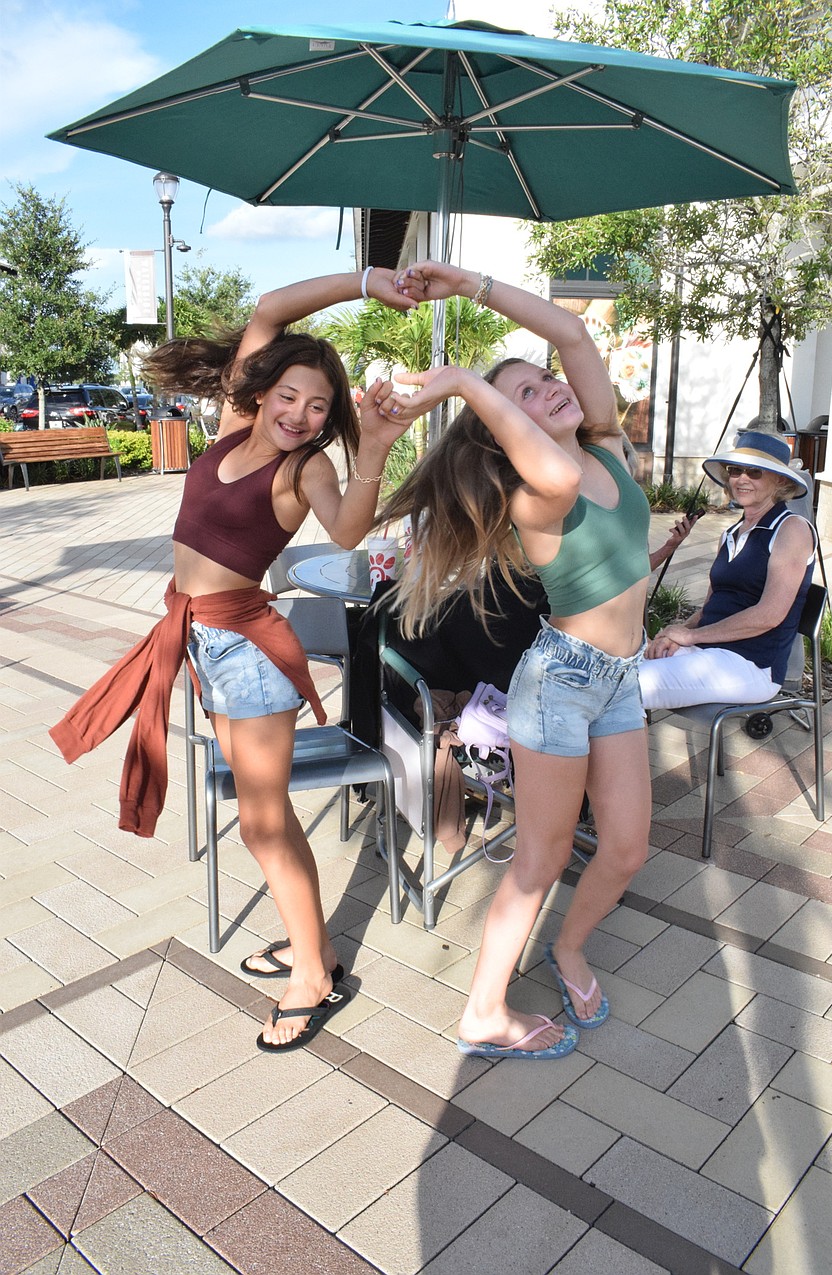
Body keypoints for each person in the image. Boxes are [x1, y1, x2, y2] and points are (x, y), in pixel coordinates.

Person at [50, 267, 414, 1054]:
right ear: (262, 389)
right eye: (291, 395)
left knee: (260, 821)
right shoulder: (229, 426)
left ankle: (312, 974)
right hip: (202, 643)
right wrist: (364, 282)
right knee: (264, 817)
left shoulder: (303, 467)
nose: (301, 413)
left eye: (320, 406)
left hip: (246, 650)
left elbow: (349, 531)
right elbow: (272, 307)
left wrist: (375, 445)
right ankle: (308, 937)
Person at [379, 260, 654, 1060]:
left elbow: (571, 331)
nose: (550, 387)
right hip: (559, 683)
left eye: (544, 380)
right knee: (542, 855)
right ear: (505, 430)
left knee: (629, 845)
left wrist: (471, 284)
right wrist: (467, 382)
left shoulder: (606, 447)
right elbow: (552, 465)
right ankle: (483, 1011)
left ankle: (567, 950)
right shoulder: (541, 494)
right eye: (527, 393)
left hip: (619, 679)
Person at [638, 431, 816, 710]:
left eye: (755, 472)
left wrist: (691, 637)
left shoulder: (791, 529)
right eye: (735, 470)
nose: (741, 479)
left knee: (628, 687)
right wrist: (675, 633)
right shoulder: (730, 533)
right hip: (709, 652)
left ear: (780, 480)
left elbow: (769, 615)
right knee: (613, 671)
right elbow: (710, 607)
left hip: (753, 665)